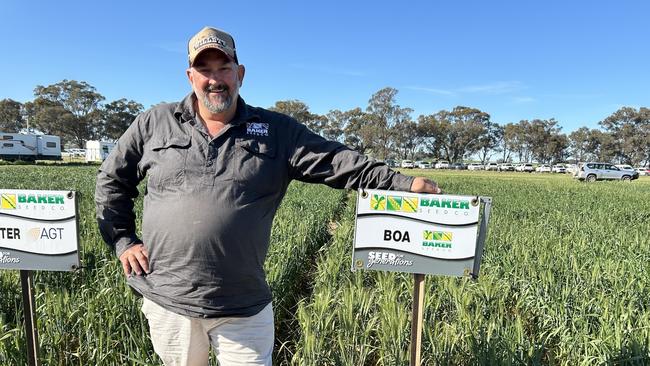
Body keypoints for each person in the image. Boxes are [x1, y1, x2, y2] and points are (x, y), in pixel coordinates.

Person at [95, 26, 441, 366]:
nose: (215, 79)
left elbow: (337, 161)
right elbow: (111, 181)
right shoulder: (154, 123)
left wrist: (401, 184)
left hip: (243, 306)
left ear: (240, 73)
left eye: (224, 68)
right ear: (190, 76)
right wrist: (123, 239)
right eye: (205, 69)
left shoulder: (276, 131)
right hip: (170, 301)